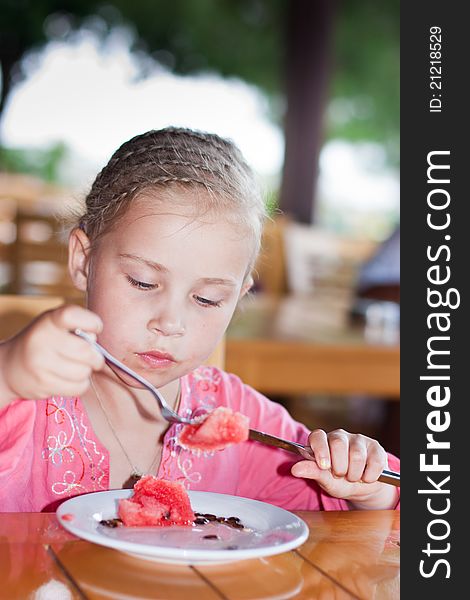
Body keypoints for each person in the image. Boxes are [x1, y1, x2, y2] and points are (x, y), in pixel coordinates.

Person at [0, 127, 400, 512]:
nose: (170, 322)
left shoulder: (236, 418)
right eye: (143, 282)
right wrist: (7, 375)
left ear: (238, 298)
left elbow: (369, 506)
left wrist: (364, 487)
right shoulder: (22, 396)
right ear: (83, 261)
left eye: (207, 299)